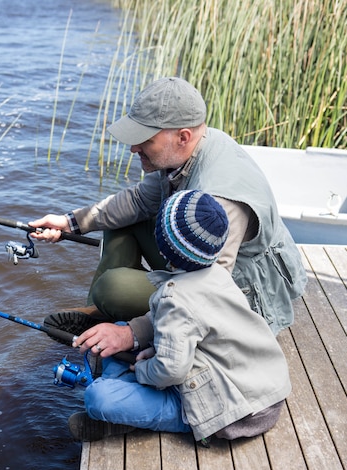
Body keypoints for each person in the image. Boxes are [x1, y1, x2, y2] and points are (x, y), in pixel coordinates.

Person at [30, 76, 307, 356]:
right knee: (124, 220)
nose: (133, 148)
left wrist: (134, 333)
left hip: (241, 291)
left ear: (183, 136)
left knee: (112, 288)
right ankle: (102, 314)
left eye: (144, 140)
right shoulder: (187, 152)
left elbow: (207, 289)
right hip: (202, 267)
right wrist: (70, 222)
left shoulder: (220, 198)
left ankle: (113, 311)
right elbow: (138, 201)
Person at [67, 190, 292, 443]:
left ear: (164, 248)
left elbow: (171, 371)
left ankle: (122, 414)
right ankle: (125, 407)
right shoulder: (217, 274)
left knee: (98, 397)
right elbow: (187, 328)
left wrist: (142, 369)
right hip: (263, 390)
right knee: (119, 329)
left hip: (235, 414)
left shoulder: (176, 298)